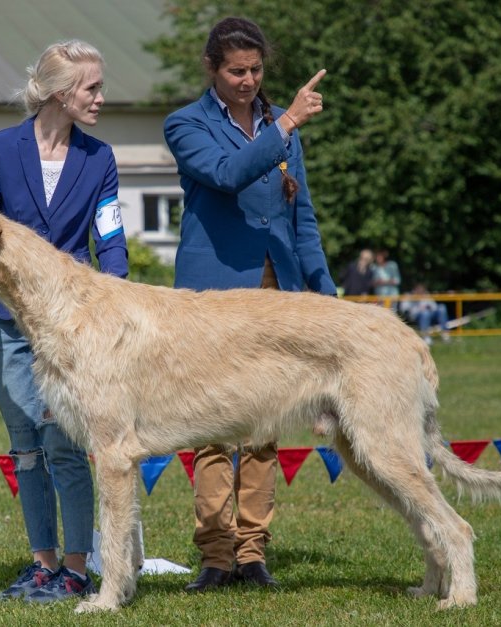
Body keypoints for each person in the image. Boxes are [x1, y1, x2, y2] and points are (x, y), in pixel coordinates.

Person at [164, 16, 336, 592]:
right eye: (236, 70)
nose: (247, 80)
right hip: (213, 295)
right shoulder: (185, 124)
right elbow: (226, 173)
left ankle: (253, 550)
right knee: (211, 422)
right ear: (212, 69)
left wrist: (327, 299)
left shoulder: (280, 127)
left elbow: (301, 216)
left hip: (275, 291)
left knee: (264, 422)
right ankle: (215, 554)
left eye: (256, 69)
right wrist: (285, 120)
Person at [0, 40, 128, 604]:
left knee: (66, 447)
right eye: (92, 88)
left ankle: (76, 568)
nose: (100, 98)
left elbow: (110, 240)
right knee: (26, 447)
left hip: (77, 329)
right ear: (61, 93)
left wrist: (118, 302)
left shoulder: (99, 157)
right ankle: (41, 565)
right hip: (6, 322)